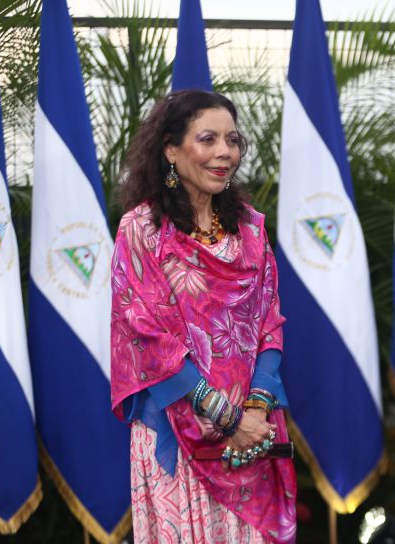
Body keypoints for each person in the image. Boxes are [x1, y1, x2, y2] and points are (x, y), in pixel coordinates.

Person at [110, 90, 296, 543]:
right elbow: (149, 337)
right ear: (171, 151)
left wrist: (255, 410)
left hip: (254, 433)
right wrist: (228, 421)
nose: (224, 152)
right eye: (208, 139)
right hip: (180, 429)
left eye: (232, 140)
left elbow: (270, 323)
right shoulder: (142, 230)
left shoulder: (250, 229)